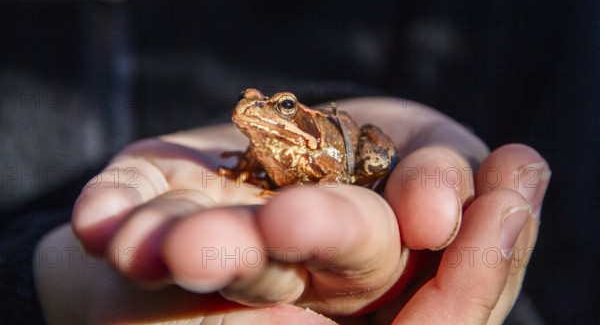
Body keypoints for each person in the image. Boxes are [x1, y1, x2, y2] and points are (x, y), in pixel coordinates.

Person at [34, 97, 549, 324]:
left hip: (349, 145)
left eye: (279, 107)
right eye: (256, 105)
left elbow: (335, 162)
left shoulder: (311, 140)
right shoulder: (264, 145)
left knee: (377, 162)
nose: (264, 113)